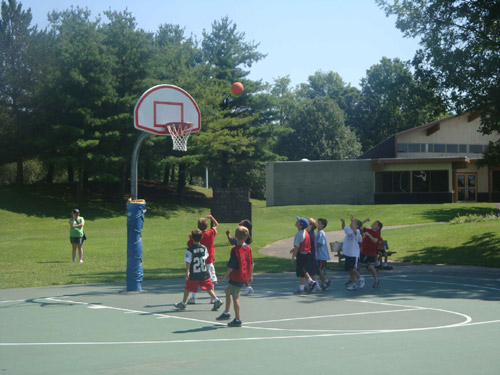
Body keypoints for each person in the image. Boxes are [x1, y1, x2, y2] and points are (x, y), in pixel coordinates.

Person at [174, 229, 223, 311]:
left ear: (192, 238)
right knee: (208, 288)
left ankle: (183, 303)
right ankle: (216, 299)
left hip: (194, 273)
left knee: (187, 288)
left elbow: (188, 261)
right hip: (203, 272)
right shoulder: (204, 248)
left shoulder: (190, 250)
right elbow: (205, 257)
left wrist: (187, 271)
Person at [216, 226, 254, 327]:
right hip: (244, 275)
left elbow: (231, 267)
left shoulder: (235, 250)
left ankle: (237, 319)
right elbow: (251, 263)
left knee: (235, 297)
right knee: (227, 292)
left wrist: (224, 276)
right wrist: (250, 275)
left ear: (236, 236)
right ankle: (226, 312)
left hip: (237, 276)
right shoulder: (248, 248)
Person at [187, 215, 219, 305]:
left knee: (195, 278)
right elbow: (216, 225)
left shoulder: (195, 237)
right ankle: (212, 298)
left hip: (198, 261)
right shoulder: (210, 233)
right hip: (208, 260)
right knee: (211, 279)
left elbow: (189, 245)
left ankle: (193, 298)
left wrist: (190, 238)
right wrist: (212, 217)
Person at [225, 219, 254, 296]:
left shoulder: (240, 238)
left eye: (242, 222)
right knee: (245, 269)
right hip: (244, 255)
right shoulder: (245, 237)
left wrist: (228, 235)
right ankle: (247, 286)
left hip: (241, 255)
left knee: (240, 270)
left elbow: (232, 241)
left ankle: (247, 286)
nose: (240, 222)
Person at [290, 217, 315, 294]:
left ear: (300, 225)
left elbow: (297, 247)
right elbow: (302, 244)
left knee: (301, 271)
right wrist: (293, 250)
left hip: (302, 254)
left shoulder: (298, 234)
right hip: (307, 253)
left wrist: (293, 257)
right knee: (303, 269)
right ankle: (309, 281)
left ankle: (302, 288)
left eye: (298, 221)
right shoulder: (306, 232)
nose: (296, 222)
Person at [341, 215, 363, 290]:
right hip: (347, 253)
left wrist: (352, 221)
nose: (351, 224)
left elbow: (355, 231)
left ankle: (360, 278)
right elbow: (343, 227)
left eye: (354, 223)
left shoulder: (357, 231)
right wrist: (343, 222)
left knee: (353, 268)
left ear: (357, 226)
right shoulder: (349, 230)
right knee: (350, 270)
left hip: (353, 253)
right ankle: (353, 283)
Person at [360, 219, 383, 288]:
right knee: (358, 265)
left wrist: (369, 235)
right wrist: (364, 221)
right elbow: (359, 226)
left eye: (375, 224)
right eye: (373, 223)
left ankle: (376, 280)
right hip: (364, 251)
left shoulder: (377, 234)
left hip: (371, 253)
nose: (373, 224)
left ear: (378, 227)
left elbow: (375, 241)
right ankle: (353, 279)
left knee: (371, 267)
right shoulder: (368, 230)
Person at [315, 218, 331, 290]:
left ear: (322, 225)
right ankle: (324, 282)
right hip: (318, 255)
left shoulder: (321, 233)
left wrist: (312, 246)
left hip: (321, 255)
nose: (317, 224)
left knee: (318, 270)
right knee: (318, 270)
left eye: (319, 223)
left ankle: (325, 281)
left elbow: (320, 243)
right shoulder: (317, 233)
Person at [305, 218, 321, 292]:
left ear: (311, 225)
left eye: (308, 222)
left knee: (312, 272)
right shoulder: (308, 233)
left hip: (311, 255)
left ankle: (316, 285)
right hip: (309, 255)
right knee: (308, 270)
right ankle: (310, 285)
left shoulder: (310, 234)